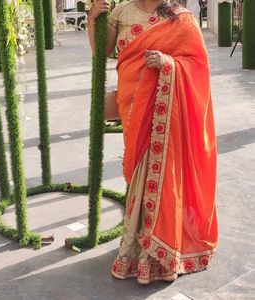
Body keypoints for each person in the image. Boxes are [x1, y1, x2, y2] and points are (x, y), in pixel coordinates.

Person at [88, 0, 218, 284]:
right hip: (133, 103)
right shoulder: (121, 11)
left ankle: (159, 253)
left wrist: (169, 63)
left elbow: (197, 66)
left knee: (162, 175)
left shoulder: (181, 18)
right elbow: (101, 53)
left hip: (166, 111)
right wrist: (93, 21)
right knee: (140, 174)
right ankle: (136, 248)